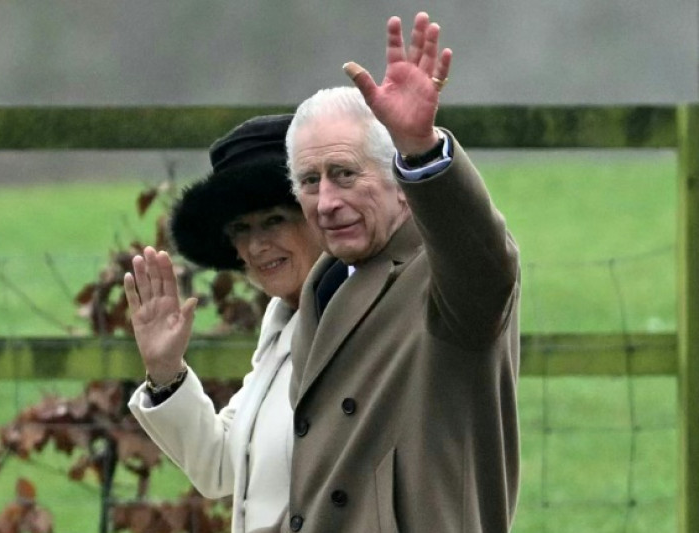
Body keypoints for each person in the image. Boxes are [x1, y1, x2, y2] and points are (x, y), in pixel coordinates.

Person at [273, 12, 521, 532]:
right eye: (309, 181)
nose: (326, 202)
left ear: (399, 182)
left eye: (344, 174)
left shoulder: (443, 274)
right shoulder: (324, 282)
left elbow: (485, 264)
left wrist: (421, 150)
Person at [124, 114, 323, 533]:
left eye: (274, 220)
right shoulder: (283, 320)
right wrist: (166, 371)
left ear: (318, 215)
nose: (256, 245)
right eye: (240, 229)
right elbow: (221, 466)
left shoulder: (369, 313)